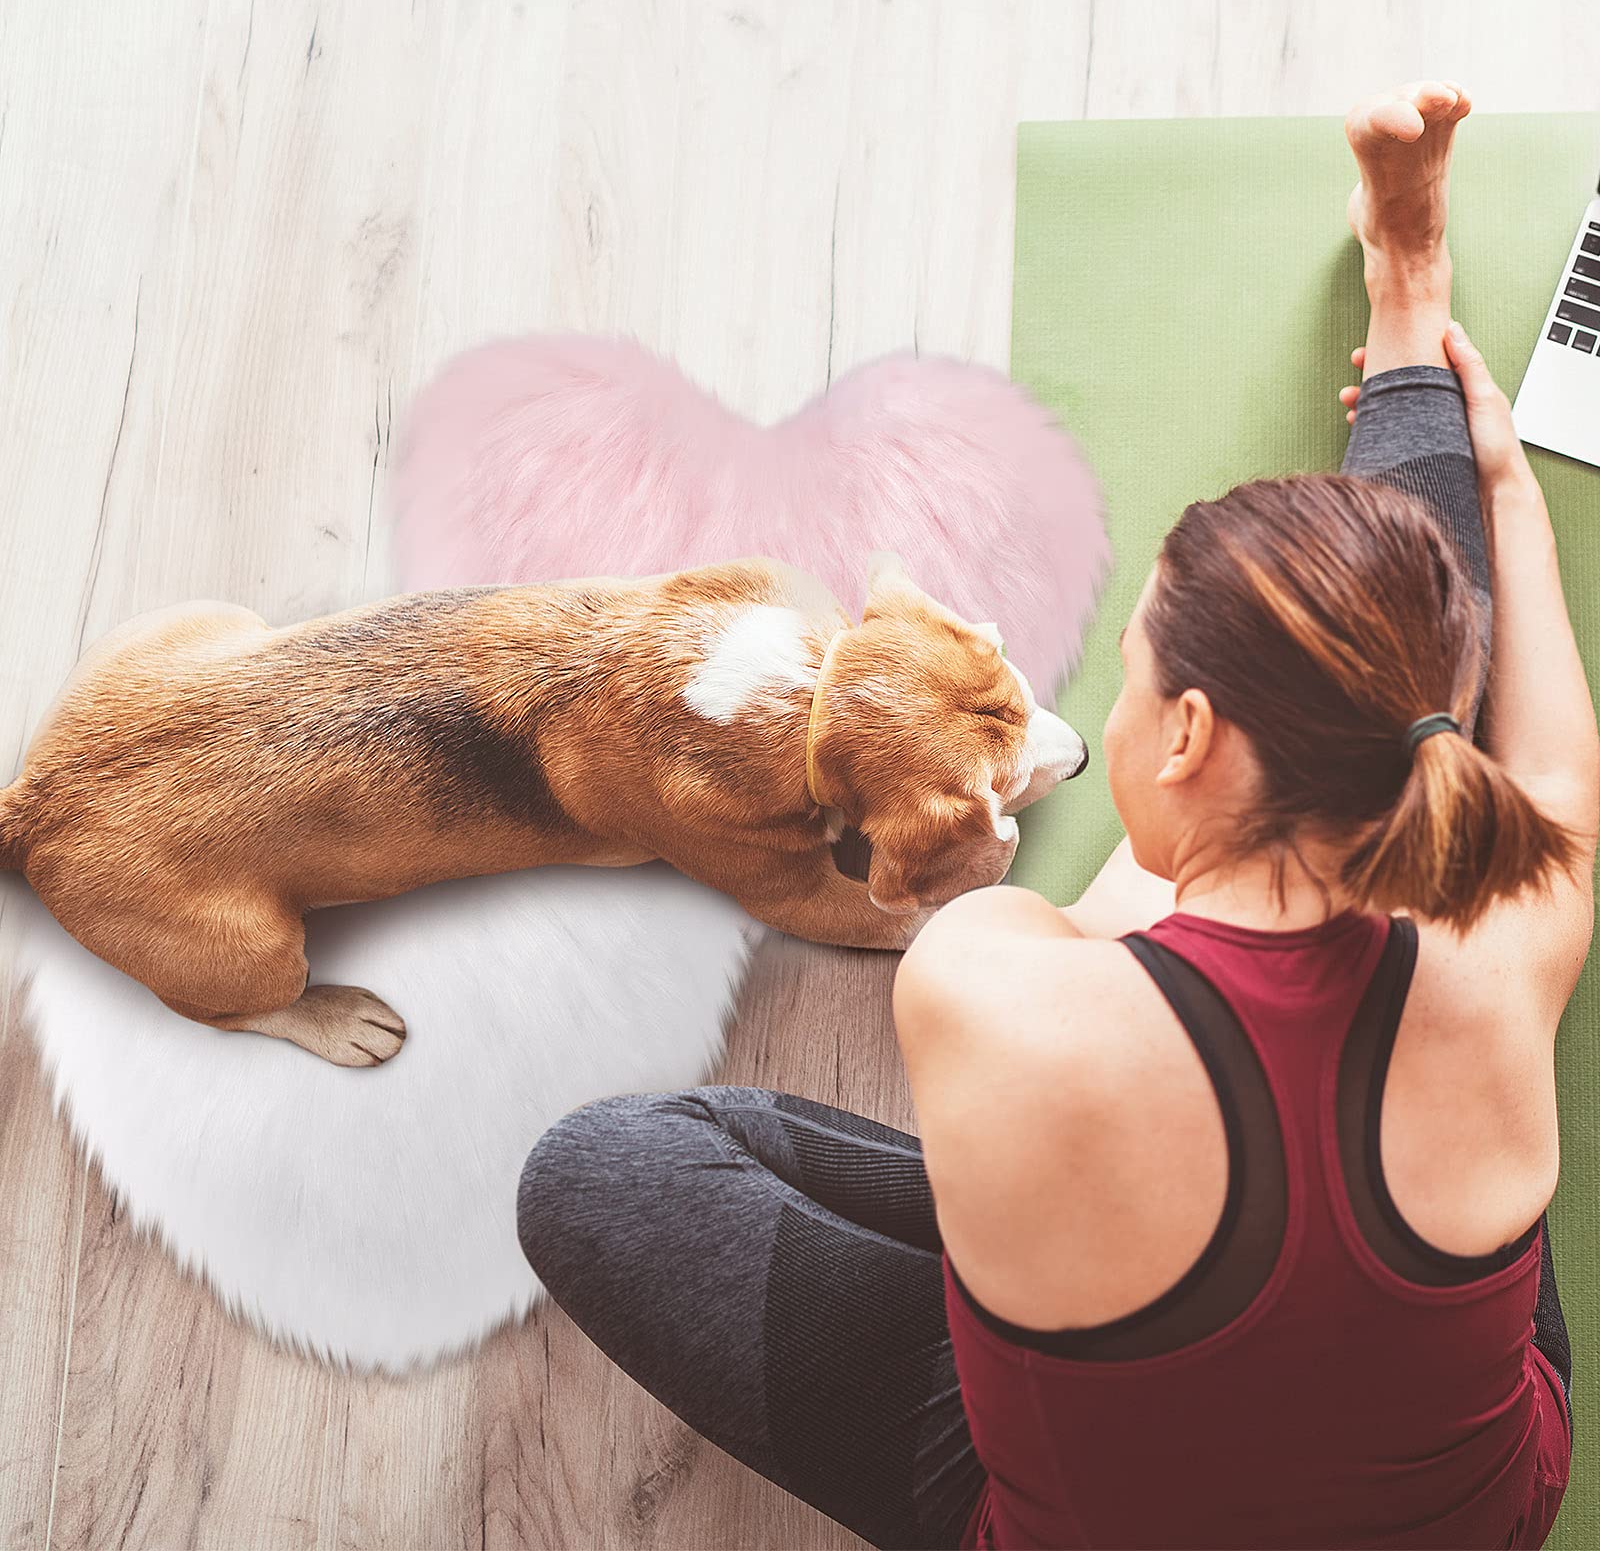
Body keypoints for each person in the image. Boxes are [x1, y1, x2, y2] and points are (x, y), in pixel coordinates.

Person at [515, 81, 1593, 1550]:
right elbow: (1549, 791)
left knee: (602, 1172)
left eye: (1136, 678)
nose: (1103, 719)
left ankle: (1407, 299)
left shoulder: (994, 986)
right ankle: (1412, 291)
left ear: (1196, 737)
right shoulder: (1507, 924)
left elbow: (1171, 918)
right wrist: (1500, 494)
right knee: (1406, 731)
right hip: (1474, 1513)